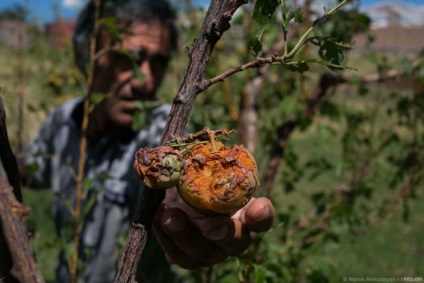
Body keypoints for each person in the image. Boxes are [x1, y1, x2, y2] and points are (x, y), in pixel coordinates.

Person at [24, 0, 275, 282]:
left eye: (158, 62)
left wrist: (195, 210)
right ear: (85, 56)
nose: (145, 80)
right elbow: (28, 174)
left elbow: (173, 177)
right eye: (128, 58)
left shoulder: (165, 133)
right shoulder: (62, 119)